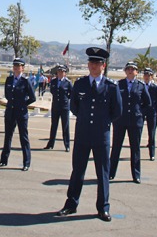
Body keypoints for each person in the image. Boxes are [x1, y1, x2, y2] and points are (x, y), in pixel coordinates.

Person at [56, 47, 122, 222]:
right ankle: (71, 204)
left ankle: (103, 207)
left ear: (103, 65)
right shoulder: (80, 84)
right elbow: (75, 107)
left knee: (103, 173)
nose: (94, 65)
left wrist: (103, 122)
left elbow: (117, 111)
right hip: (83, 134)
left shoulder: (111, 86)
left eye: (97, 63)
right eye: (91, 62)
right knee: (77, 171)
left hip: (101, 135)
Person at [109, 61, 152, 184]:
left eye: (133, 69)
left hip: (135, 121)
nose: (130, 71)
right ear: (125, 71)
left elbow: (147, 104)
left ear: (136, 72)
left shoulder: (141, 86)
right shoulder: (119, 84)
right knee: (116, 147)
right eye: (128, 68)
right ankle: (111, 173)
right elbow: (114, 102)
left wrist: (139, 113)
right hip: (120, 121)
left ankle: (136, 175)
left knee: (135, 148)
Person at [0, 58, 36, 171]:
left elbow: (32, 97)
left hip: (21, 113)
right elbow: (7, 95)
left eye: (18, 66)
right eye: (14, 66)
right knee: (7, 136)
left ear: (22, 68)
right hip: (10, 112)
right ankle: (3, 160)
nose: (16, 68)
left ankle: (26, 163)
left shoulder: (25, 81)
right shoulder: (9, 80)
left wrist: (23, 104)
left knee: (23, 138)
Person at [44, 64, 72, 151]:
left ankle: (67, 145)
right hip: (55, 106)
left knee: (65, 126)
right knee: (54, 126)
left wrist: (66, 100)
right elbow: (52, 91)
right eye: (59, 72)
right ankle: (50, 144)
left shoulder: (68, 83)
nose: (60, 73)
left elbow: (71, 94)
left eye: (62, 72)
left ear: (65, 73)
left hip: (64, 107)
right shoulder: (53, 81)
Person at [142, 68, 157, 161]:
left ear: (151, 77)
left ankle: (152, 153)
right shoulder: (141, 86)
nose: (146, 77)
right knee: (137, 132)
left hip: (152, 112)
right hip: (142, 111)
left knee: (151, 133)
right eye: (145, 75)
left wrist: (154, 107)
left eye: (148, 75)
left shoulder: (154, 87)